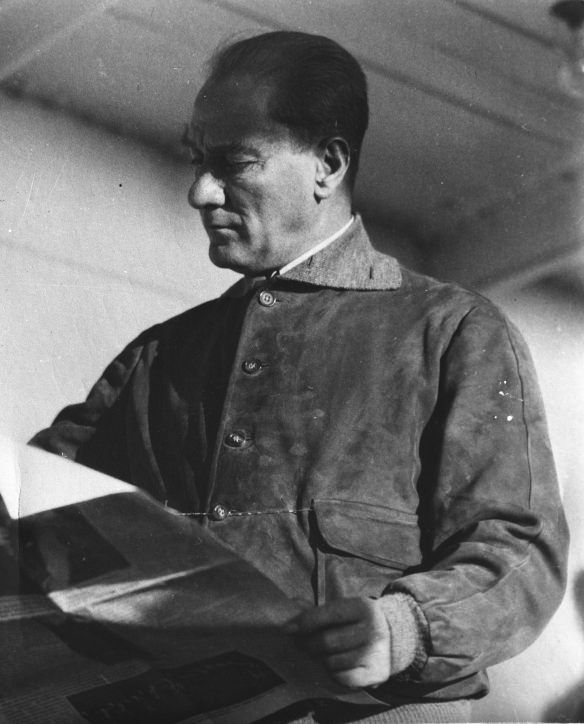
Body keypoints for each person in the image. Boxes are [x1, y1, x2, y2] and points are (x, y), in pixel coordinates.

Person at [30, 31, 569, 722]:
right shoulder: (157, 359)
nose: (200, 192)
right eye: (199, 161)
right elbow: (31, 515)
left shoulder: (453, 332)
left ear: (328, 164)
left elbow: (521, 550)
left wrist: (404, 628)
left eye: (234, 163)